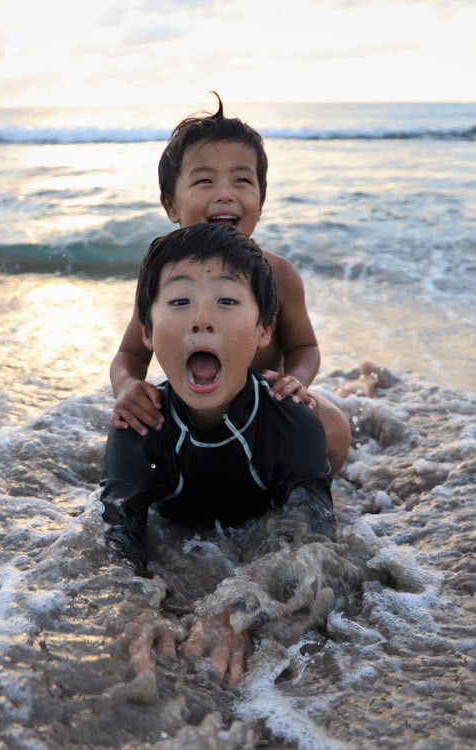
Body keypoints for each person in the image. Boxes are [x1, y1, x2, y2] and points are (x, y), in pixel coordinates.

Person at [101, 223, 337, 689]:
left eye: (227, 301)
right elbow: (115, 544)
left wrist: (238, 614)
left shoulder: (291, 423)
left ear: (264, 330)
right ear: (147, 331)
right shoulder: (140, 430)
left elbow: (314, 550)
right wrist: (136, 610)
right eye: (179, 302)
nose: (202, 320)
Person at [110, 94, 353, 477]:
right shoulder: (165, 276)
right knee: (127, 434)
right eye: (204, 180)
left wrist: (296, 381)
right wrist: (128, 388)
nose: (225, 193)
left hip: (265, 406)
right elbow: (130, 355)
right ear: (171, 204)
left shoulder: (279, 274)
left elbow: (304, 347)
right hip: (193, 406)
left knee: (334, 426)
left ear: (261, 199)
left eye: (242, 180)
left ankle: (321, 484)